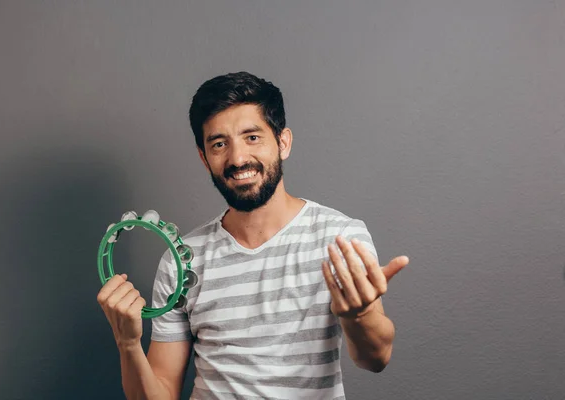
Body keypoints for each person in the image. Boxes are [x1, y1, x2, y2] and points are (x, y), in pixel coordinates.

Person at [97, 71, 409, 399]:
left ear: (283, 142)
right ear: (205, 159)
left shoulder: (340, 238)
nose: (238, 158)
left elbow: (376, 358)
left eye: (252, 137)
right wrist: (128, 344)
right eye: (219, 144)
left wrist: (357, 315)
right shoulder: (181, 261)